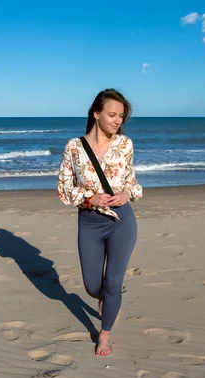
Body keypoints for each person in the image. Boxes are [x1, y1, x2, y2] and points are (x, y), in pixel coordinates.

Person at [58, 88, 142, 356]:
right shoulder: (74, 147)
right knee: (93, 286)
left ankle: (104, 335)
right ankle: (105, 297)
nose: (117, 121)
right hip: (90, 223)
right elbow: (63, 189)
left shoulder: (125, 144)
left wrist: (126, 194)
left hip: (122, 221)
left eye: (121, 116)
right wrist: (88, 199)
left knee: (114, 283)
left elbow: (133, 184)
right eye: (112, 115)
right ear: (96, 114)